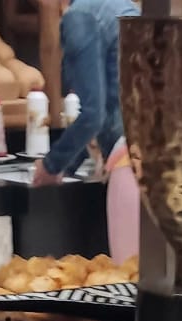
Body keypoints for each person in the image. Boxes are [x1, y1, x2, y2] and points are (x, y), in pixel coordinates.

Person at [33, 0, 141, 187]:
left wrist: (51, 166)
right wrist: (67, 166)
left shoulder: (80, 16)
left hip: (124, 161)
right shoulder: (125, 8)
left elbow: (93, 117)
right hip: (151, 154)